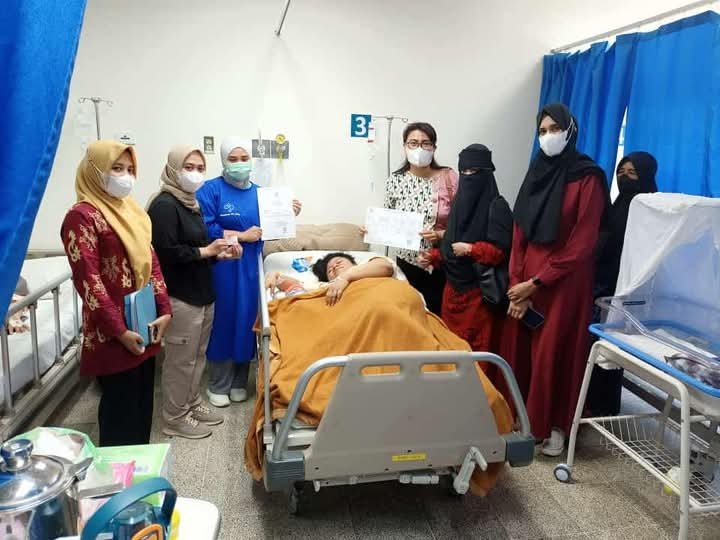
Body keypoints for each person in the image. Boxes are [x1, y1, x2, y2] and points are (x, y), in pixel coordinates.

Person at [503, 103, 609, 456]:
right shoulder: (535, 173)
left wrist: (536, 282)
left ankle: (554, 424)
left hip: (564, 282)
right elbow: (519, 233)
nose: (548, 136)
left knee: (554, 352)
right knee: (523, 349)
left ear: (570, 131)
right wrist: (517, 285)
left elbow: (583, 241)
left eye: (554, 129)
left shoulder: (587, 176)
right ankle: (524, 418)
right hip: (525, 280)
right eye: (542, 131)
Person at [60, 140, 172, 446]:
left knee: (142, 410)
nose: (125, 176)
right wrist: (119, 331)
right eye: (116, 168)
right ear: (94, 171)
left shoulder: (130, 211)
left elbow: (152, 263)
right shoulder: (82, 217)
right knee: (120, 416)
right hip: (112, 333)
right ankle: (116, 475)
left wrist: (164, 310)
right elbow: (89, 281)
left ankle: (141, 471)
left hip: (144, 323)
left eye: (130, 169)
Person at [197, 137, 302, 407]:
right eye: (233, 159)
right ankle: (218, 383)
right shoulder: (210, 191)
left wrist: (288, 214)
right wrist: (241, 236)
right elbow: (205, 229)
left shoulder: (262, 194)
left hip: (251, 268)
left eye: (244, 159)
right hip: (222, 266)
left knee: (247, 320)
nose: (240, 164)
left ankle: (239, 382)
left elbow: (271, 229)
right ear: (223, 161)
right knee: (223, 320)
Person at [148, 145, 242, 439]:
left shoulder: (191, 203)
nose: (195, 173)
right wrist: (206, 251)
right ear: (173, 169)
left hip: (202, 292)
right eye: (188, 167)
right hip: (180, 296)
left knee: (197, 356)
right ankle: (174, 418)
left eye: (200, 168)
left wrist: (218, 255)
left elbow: (198, 248)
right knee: (180, 361)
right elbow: (165, 253)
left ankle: (190, 404)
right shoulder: (164, 205)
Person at [417, 144, 512, 353]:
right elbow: (451, 247)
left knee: (475, 352)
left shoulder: (497, 206)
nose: (468, 177)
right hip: (451, 292)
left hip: (478, 296)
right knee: (449, 347)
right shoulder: (459, 205)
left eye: (474, 171)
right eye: (464, 171)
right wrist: (432, 256)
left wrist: (471, 249)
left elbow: (501, 252)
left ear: (486, 173)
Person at [586, 152, 658, 416]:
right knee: (596, 346)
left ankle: (604, 406)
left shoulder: (651, 208)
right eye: (621, 172)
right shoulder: (617, 205)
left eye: (632, 173)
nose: (624, 177)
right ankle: (591, 400)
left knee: (612, 350)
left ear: (646, 176)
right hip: (602, 285)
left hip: (625, 289)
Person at [375, 122, 458, 315]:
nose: (419, 148)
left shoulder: (449, 177)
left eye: (425, 143)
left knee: (437, 316)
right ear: (404, 146)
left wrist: (441, 234)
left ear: (434, 147)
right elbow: (389, 218)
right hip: (407, 263)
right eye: (413, 143)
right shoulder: (395, 180)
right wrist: (374, 228)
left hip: (441, 262)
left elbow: (463, 221)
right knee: (410, 314)